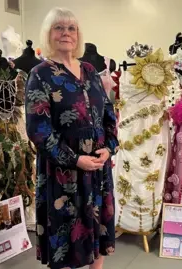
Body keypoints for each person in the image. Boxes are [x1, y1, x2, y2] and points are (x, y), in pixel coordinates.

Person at [25, 7, 118, 269]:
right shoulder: (40, 74)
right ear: (49, 34)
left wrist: (109, 148)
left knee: (97, 230)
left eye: (71, 28)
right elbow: (38, 130)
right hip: (63, 171)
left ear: (78, 35)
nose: (66, 33)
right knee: (67, 233)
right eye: (59, 28)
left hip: (98, 168)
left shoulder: (90, 70)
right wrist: (75, 160)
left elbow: (108, 114)